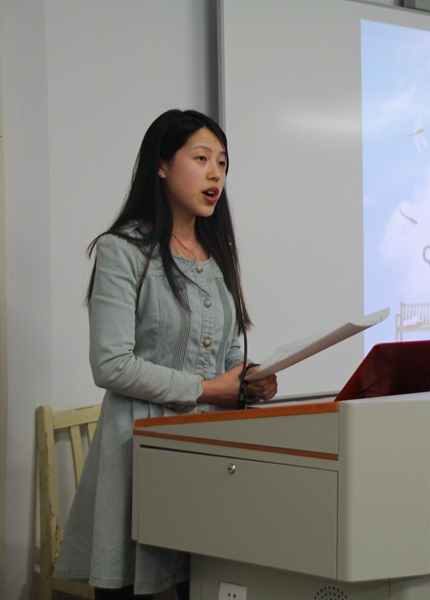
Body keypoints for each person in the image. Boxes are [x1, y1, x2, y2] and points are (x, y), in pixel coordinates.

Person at [53, 109, 278, 600]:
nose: (215, 174)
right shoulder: (122, 250)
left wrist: (247, 377)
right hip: (138, 452)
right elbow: (111, 364)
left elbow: (226, 350)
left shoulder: (217, 254)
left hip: (208, 455)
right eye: (201, 159)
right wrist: (206, 389)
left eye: (222, 162)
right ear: (160, 164)